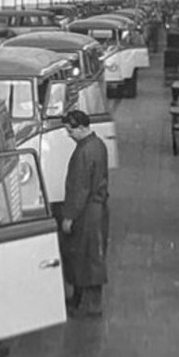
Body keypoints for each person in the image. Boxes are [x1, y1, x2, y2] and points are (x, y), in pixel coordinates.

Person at [59, 109, 109, 318]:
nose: (69, 135)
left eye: (70, 131)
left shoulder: (83, 153)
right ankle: (83, 301)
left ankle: (89, 306)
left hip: (87, 213)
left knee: (86, 258)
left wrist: (69, 217)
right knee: (91, 256)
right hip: (97, 209)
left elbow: (80, 189)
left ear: (80, 128)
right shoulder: (98, 145)